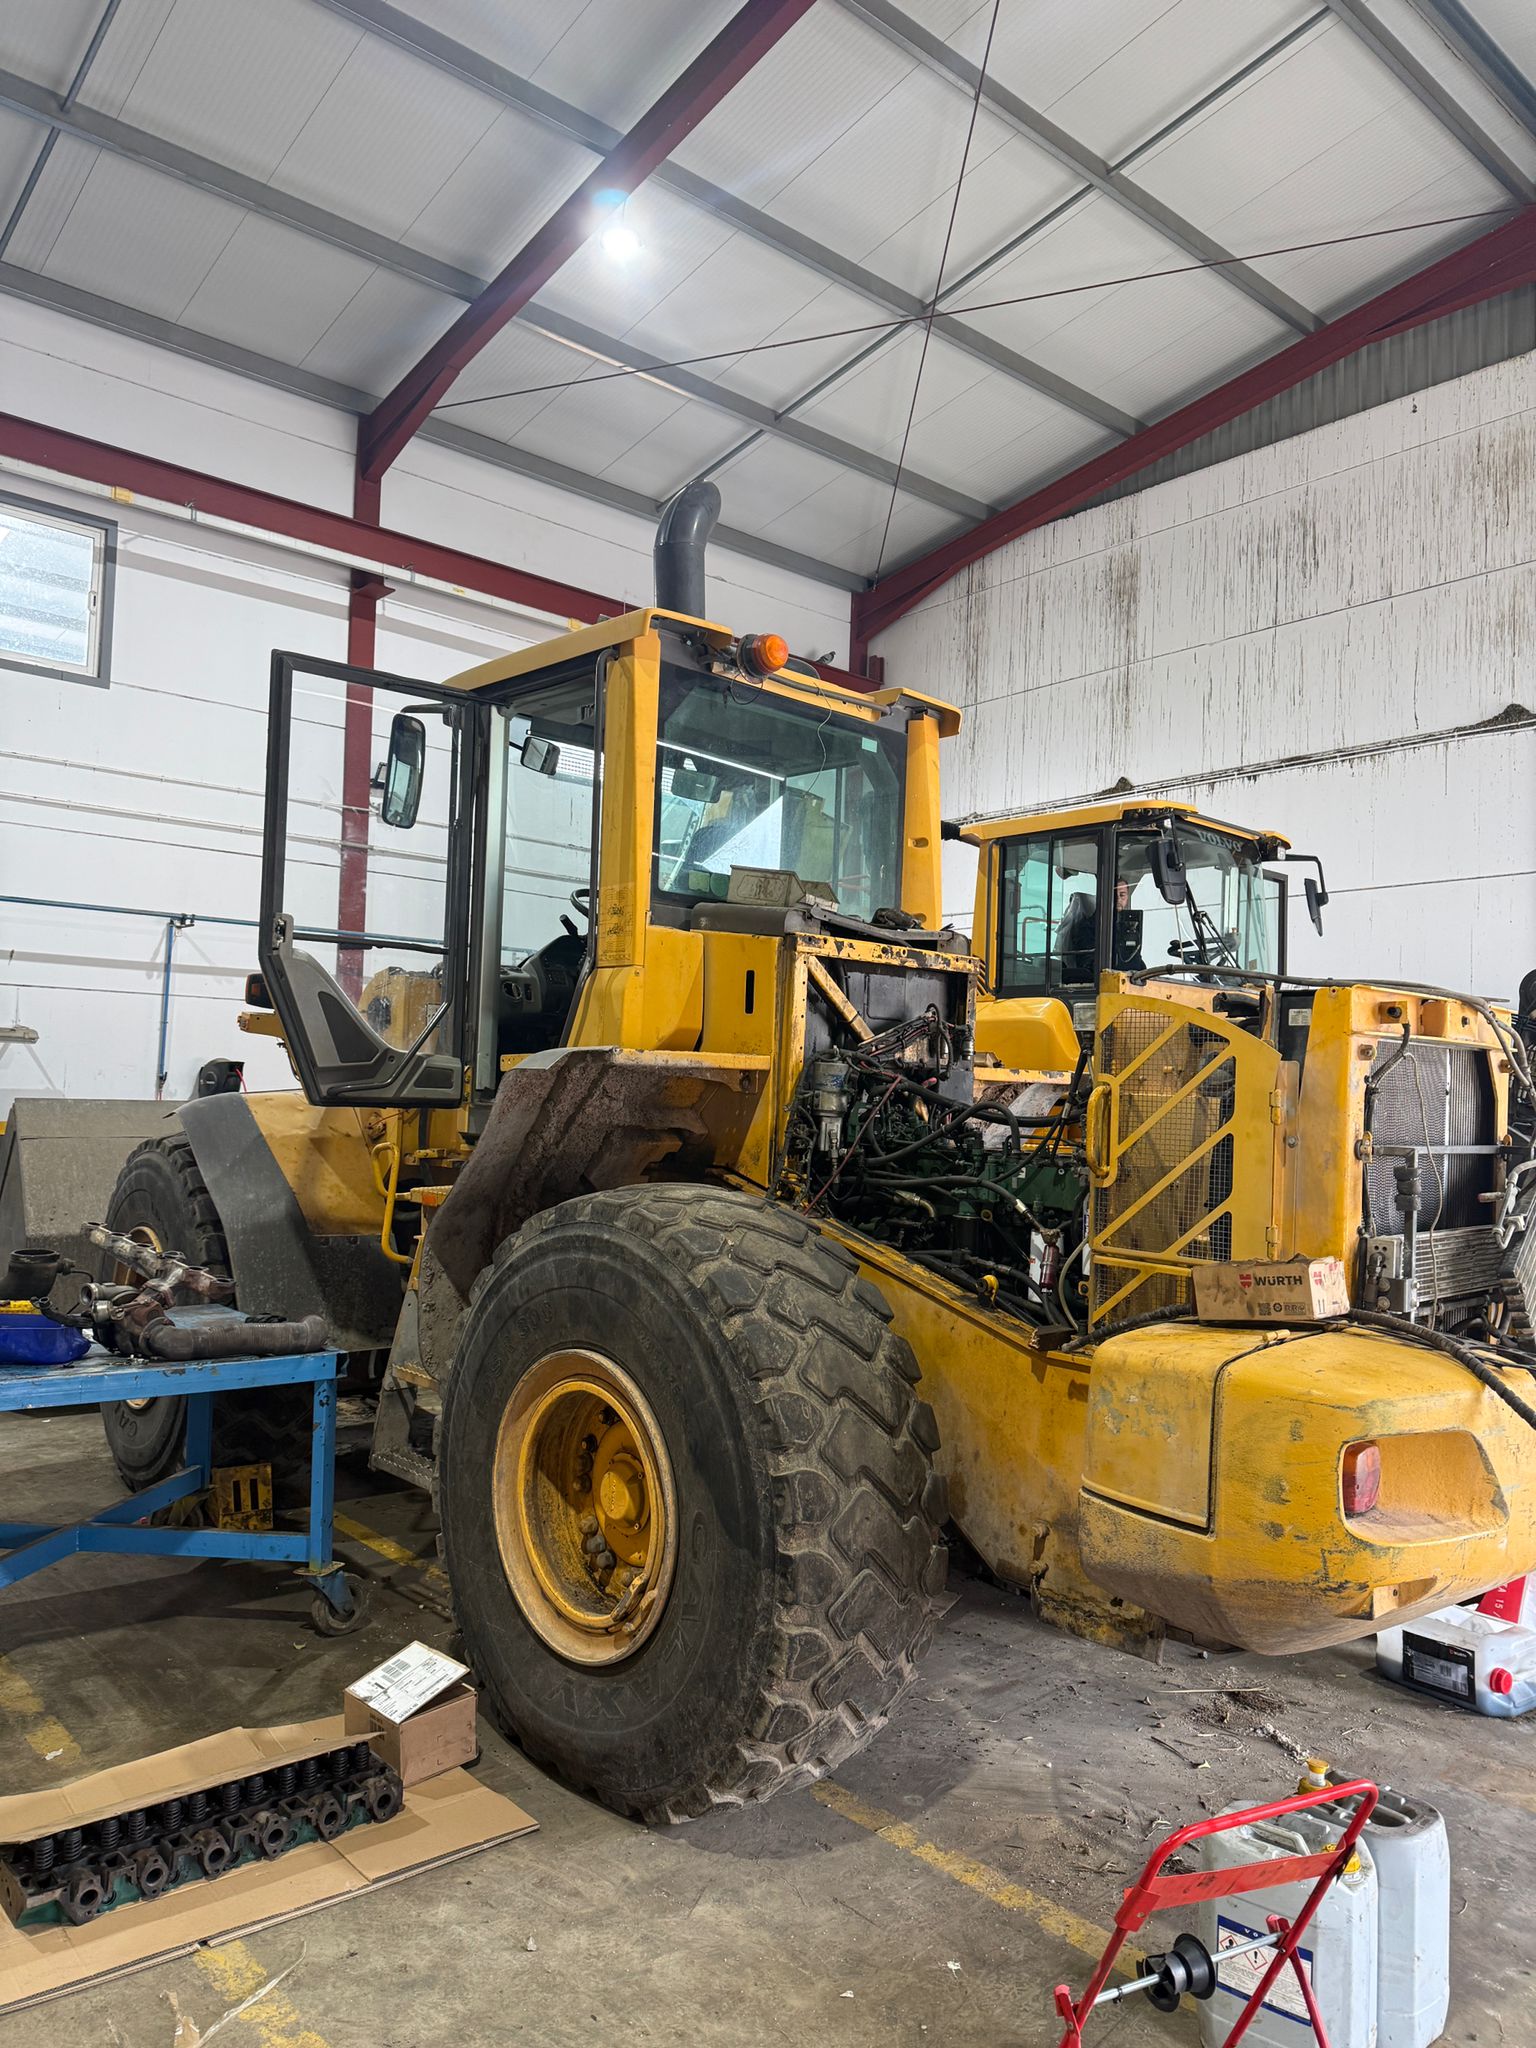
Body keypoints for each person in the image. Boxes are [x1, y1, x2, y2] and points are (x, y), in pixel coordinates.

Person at [1054, 877, 1145, 982]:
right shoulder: (1089, 926)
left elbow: (1134, 956)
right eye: (1114, 895)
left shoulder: (1128, 927)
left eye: (1122, 895)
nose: (1118, 899)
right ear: (1104, 896)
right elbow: (1089, 961)